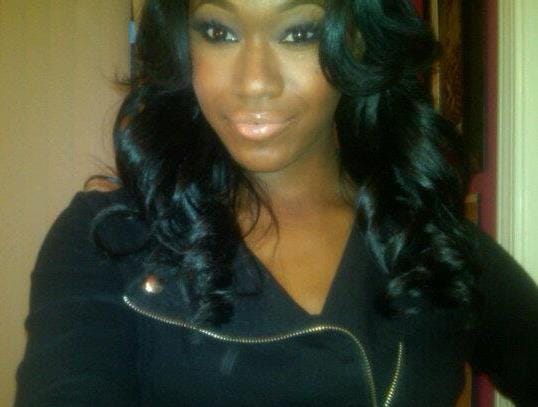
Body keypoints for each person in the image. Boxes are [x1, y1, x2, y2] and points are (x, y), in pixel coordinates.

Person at [15, 0, 538, 406]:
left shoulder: (432, 244)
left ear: (358, 41)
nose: (255, 83)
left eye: (300, 33)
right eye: (219, 32)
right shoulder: (107, 240)